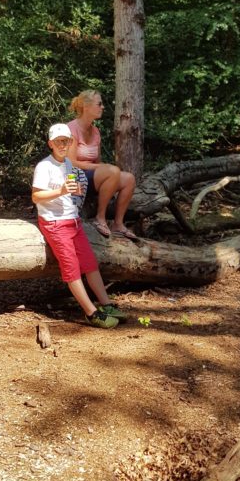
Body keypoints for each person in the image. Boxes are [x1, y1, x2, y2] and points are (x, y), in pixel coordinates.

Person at [32, 123, 128, 328]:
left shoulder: (69, 164)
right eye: (58, 141)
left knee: (90, 264)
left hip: (74, 221)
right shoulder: (44, 166)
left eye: (66, 141)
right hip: (55, 224)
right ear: (51, 143)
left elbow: (72, 191)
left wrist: (74, 193)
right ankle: (91, 313)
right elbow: (36, 196)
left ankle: (106, 304)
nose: (63, 145)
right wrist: (61, 191)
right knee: (72, 268)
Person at [67, 90, 138, 240]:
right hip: (75, 175)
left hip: (91, 176)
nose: (103, 107)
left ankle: (118, 224)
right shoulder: (71, 129)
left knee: (129, 179)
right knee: (113, 170)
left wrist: (103, 169)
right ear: (86, 106)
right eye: (99, 104)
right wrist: (102, 169)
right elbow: (70, 161)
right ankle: (100, 218)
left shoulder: (96, 132)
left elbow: (97, 162)